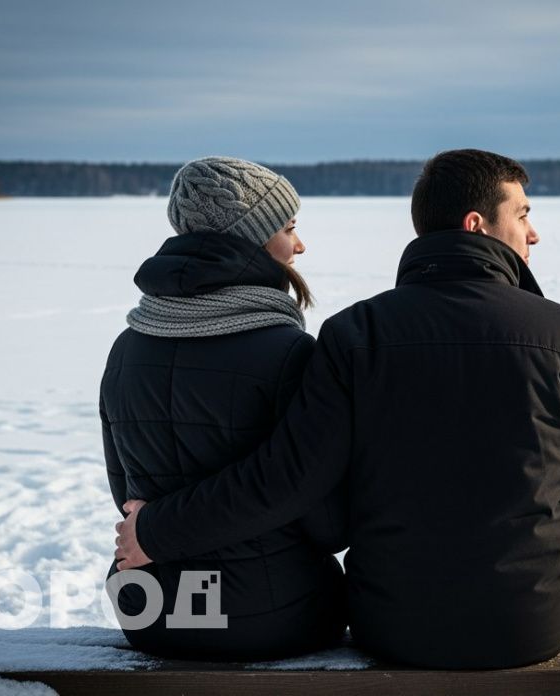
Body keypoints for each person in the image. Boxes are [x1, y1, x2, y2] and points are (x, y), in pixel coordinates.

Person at [116, 149, 560, 669]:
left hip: (364, 620)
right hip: (526, 622)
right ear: (477, 224)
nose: (532, 233)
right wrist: (520, 535)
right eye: (522, 214)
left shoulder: (352, 334)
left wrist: (157, 530)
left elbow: (132, 487)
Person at [101, 156, 347, 660]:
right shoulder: (289, 352)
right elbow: (325, 519)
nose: (299, 245)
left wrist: (159, 530)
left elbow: (125, 494)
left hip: (147, 609)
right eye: (289, 228)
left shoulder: (127, 345)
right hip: (274, 616)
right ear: (252, 238)